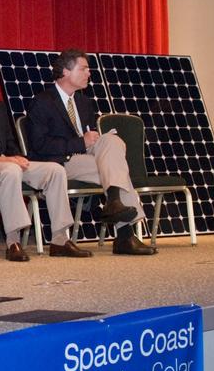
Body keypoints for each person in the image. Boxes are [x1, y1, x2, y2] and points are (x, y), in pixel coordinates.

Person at [0, 53, 90, 262]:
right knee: (10, 170)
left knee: (55, 169)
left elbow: (10, 142)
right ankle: (13, 240)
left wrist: (17, 157)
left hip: (6, 162)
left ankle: (59, 239)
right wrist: (0, 159)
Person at [25, 49, 155, 255]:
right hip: (60, 162)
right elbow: (39, 146)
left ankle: (114, 202)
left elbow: (89, 139)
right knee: (115, 169)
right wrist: (80, 143)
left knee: (112, 142)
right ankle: (124, 235)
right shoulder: (42, 102)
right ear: (66, 71)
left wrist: (88, 142)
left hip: (86, 158)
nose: (89, 73)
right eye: (83, 68)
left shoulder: (84, 102)